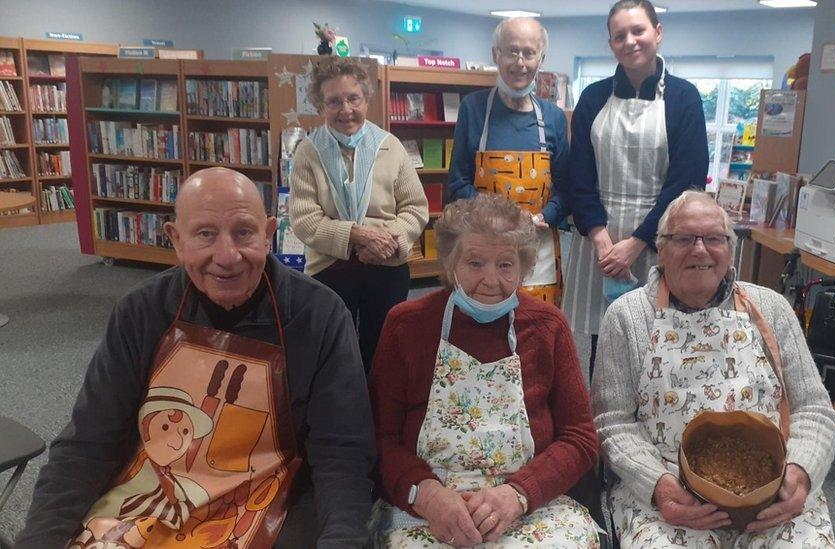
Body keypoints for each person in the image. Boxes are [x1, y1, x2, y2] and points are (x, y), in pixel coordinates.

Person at [16, 168, 376, 548]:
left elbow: (342, 451)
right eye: (205, 234)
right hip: (151, 501)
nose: (227, 256)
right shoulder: (140, 311)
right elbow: (88, 442)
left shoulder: (319, 315)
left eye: (244, 233)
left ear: (269, 234)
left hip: (265, 504)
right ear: (176, 239)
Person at [591, 191, 835, 548]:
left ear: (730, 249)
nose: (700, 250)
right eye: (685, 239)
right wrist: (657, 485)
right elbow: (612, 422)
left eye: (714, 239)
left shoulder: (771, 307)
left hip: (770, 492)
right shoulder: (628, 317)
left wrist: (800, 473)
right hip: (672, 494)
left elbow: (814, 408)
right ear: (661, 249)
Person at [369, 194, 600, 547]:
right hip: (428, 510)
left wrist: (518, 494)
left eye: (505, 265)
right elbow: (379, 438)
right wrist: (426, 495)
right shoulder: (407, 325)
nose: (491, 280)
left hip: (527, 507)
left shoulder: (548, 326)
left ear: (524, 268)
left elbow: (580, 438)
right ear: (449, 265)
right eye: (475, 263)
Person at [562, 0, 709, 383]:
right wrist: (601, 240)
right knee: (604, 340)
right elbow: (578, 176)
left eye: (638, 31)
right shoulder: (593, 98)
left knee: (659, 337)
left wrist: (638, 241)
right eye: (619, 35)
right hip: (600, 241)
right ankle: (605, 425)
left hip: (660, 238)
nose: (630, 41)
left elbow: (687, 180)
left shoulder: (683, 98)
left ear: (657, 33)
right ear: (610, 44)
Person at [290, 56, 429, 372]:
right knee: (330, 348)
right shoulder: (308, 153)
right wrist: (357, 235)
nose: (346, 110)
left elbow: (415, 209)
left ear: (366, 99)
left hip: (386, 260)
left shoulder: (390, 147)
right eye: (334, 101)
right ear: (320, 105)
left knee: (382, 348)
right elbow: (304, 219)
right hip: (329, 263)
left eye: (353, 98)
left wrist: (385, 242)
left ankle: (379, 410)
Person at [447, 17, 569, 306]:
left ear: (542, 58)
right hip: (482, 250)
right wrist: (500, 219)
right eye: (511, 51)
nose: (520, 62)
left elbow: (567, 190)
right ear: (495, 55)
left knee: (537, 329)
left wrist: (542, 217)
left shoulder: (553, 118)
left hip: (537, 254)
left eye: (528, 53)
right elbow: (457, 184)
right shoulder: (473, 109)